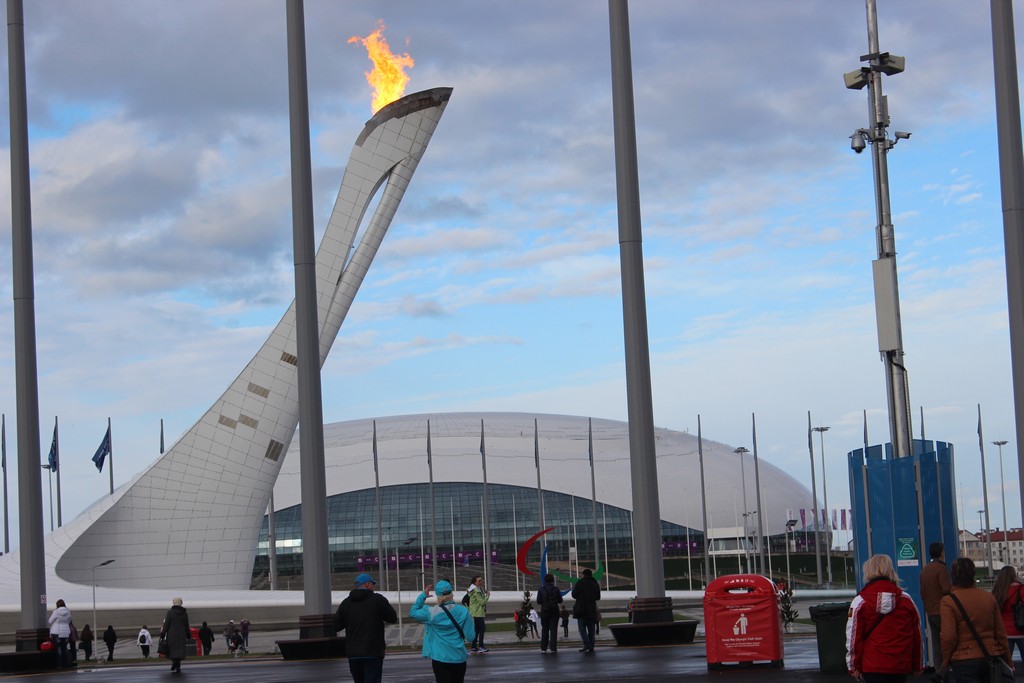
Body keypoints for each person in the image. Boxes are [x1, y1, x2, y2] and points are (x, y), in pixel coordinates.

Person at [845, 553, 923, 683]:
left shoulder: (859, 602)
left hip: (872, 665)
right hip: (900, 665)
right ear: (891, 571)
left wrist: (853, 666)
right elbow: (917, 635)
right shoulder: (906, 600)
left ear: (868, 571)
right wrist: (918, 664)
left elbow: (853, 637)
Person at [940, 557, 1011, 683]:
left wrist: (945, 661)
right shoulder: (989, 598)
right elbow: (1001, 633)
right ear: (973, 574)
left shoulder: (948, 602)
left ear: (953, 576)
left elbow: (949, 637)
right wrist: (1008, 660)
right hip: (990, 655)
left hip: (963, 658)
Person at [334, 572, 398, 683]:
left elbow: (336, 626)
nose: (373, 587)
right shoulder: (377, 599)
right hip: (373, 650)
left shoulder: (346, 603)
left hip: (353, 653)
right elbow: (392, 618)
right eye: (372, 584)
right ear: (368, 584)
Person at [409, 580, 475, 683]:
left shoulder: (431, 612)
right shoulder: (464, 611)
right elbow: (471, 637)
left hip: (440, 658)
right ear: (451, 593)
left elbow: (413, 613)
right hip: (459, 657)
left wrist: (423, 596)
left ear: (438, 595)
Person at [920, 542, 952, 670]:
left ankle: (940, 671)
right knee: (949, 641)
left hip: (930, 611)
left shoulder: (925, 570)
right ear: (941, 553)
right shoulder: (941, 569)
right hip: (942, 611)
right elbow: (946, 589)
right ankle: (948, 669)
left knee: (936, 644)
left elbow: (922, 592)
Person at [993, 566, 1024, 667]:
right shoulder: (1021, 589)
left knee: (1006, 664)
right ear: (1013, 575)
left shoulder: (997, 591)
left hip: (1004, 632)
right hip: (1021, 630)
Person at [571, 567, 601, 653]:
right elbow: (598, 597)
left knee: (582, 629)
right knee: (591, 629)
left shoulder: (580, 583)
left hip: (581, 609)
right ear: (591, 574)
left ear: (583, 575)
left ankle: (586, 643)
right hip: (591, 609)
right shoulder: (595, 583)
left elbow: (574, 595)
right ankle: (591, 645)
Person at [161, 596, 191, 674]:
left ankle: (174, 663)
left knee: (173, 650)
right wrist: (188, 634)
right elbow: (186, 625)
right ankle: (178, 665)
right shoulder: (184, 614)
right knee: (180, 651)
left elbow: (166, 625)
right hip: (181, 635)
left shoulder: (170, 613)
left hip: (172, 635)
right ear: (181, 603)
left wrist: (163, 634)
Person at [537, 573, 564, 653]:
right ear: (552, 580)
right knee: (553, 630)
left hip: (544, 611)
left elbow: (539, 601)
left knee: (545, 630)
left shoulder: (541, 589)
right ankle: (553, 647)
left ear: (545, 580)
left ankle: (543, 648)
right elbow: (560, 600)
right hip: (554, 612)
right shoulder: (556, 589)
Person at [467, 575, 490, 653]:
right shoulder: (476, 590)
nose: (481, 582)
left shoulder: (474, 589)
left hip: (475, 612)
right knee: (482, 629)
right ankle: (481, 646)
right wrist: (488, 596)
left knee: (476, 630)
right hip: (478, 613)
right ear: (475, 582)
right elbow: (482, 602)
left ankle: (473, 647)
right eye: (479, 581)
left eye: (481, 580)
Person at [47, 599, 72, 668]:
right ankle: (66, 664)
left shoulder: (56, 612)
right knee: (65, 648)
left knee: (59, 648)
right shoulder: (68, 611)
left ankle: (59, 664)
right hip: (66, 632)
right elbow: (69, 620)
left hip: (57, 632)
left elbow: (50, 621)